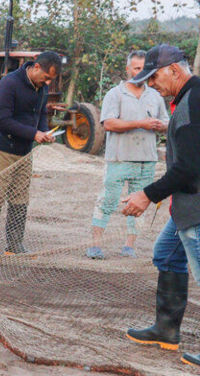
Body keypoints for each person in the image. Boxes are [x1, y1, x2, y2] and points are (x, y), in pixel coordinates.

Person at [120, 44, 200, 365]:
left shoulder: (193, 102)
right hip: (185, 205)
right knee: (166, 253)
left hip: (196, 208)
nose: (151, 84)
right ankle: (166, 330)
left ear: (174, 71)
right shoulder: (186, 99)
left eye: (155, 78)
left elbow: (190, 168)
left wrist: (147, 194)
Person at [86, 50, 168, 259]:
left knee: (139, 203)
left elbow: (167, 123)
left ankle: (129, 245)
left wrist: (161, 125)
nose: (141, 73)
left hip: (147, 160)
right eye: (137, 68)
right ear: (128, 69)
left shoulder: (155, 95)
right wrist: (140, 123)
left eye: (144, 69)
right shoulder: (115, 94)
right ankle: (95, 244)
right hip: (119, 159)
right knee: (108, 200)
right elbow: (109, 123)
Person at [0, 51, 62, 256]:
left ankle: (15, 244)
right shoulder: (9, 84)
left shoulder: (42, 88)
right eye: (46, 77)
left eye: (51, 80)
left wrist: (44, 131)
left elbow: (41, 113)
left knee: (20, 198)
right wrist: (34, 133)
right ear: (36, 67)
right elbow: (2, 121)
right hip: (2, 150)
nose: (47, 83)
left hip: (25, 152)